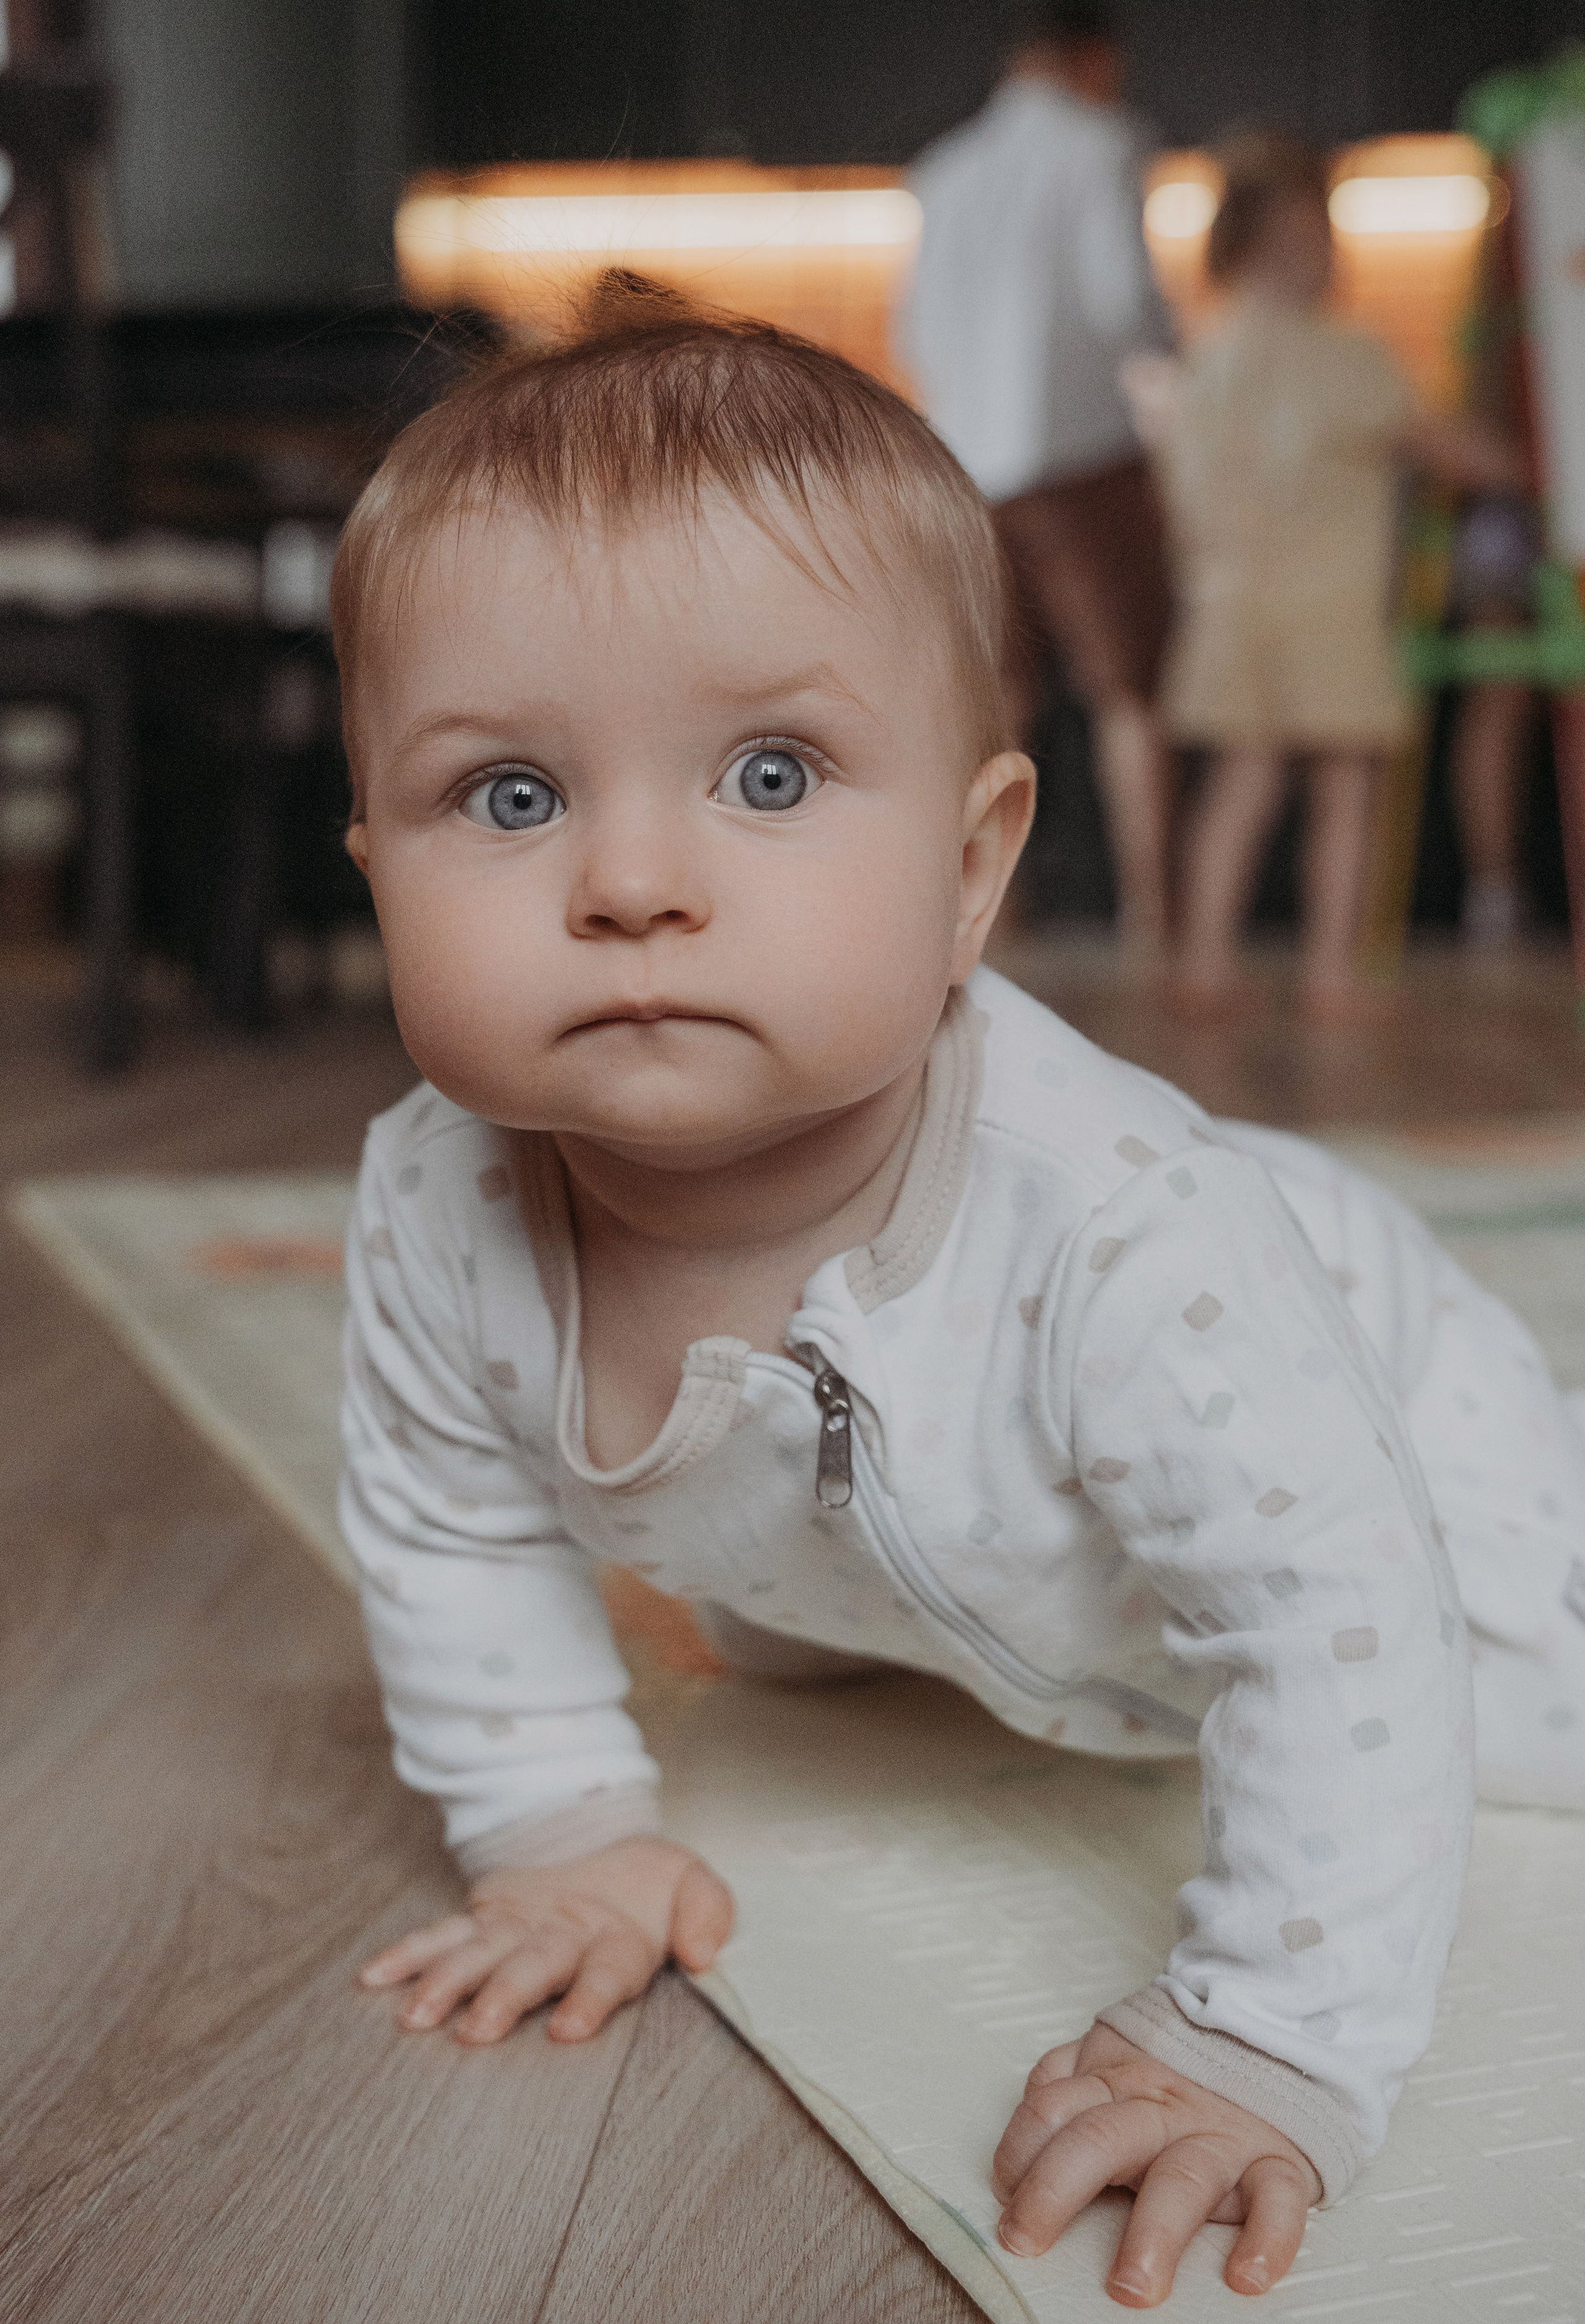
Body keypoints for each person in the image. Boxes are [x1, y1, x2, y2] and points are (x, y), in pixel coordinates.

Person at [334, 280, 1584, 2310]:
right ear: (374, 862)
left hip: (1388, 1431)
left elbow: (1339, 1629)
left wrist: (1273, 2030)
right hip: (943, 1550)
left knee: (1519, 1693)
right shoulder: (427, 1203)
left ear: (976, 867)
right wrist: (552, 1811)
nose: (629, 879)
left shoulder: (1120, 1231)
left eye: (766, 776)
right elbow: (447, 1514)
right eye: (509, 796)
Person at [1162, 135, 1524, 1022]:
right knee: (1346, 786)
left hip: (1228, 604)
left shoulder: (1205, 356)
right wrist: (1527, 461)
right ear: (1293, 232)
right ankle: (1331, 972)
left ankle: (1204, 963)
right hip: (1331, 610)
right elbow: (1453, 452)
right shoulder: (1346, 357)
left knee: (1243, 782)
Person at [903, 1, 1175, 959]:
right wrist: (1173, 357)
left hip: (966, 470)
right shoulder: (1103, 147)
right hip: (1080, 461)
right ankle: (1152, 920)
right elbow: (1124, 303)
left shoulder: (942, 169)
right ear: (1093, 60)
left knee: (998, 699)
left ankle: (993, 919)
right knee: (1128, 693)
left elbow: (916, 334)